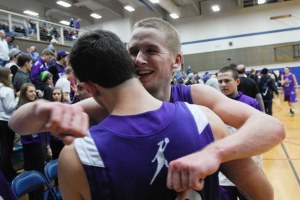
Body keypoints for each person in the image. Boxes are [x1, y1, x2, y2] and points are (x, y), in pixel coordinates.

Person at [9, 17, 284, 189]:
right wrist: (40, 108)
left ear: (177, 60)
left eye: (150, 51)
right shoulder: (104, 107)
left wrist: (214, 152)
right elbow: (18, 125)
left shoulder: (195, 97)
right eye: (132, 51)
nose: (138, 59)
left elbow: (270, 127)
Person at [217, 66, 262, 200]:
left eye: (227, 81)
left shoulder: (251, 103)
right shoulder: (213, 105)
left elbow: (258, 133)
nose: (223, 84)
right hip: (224, 169)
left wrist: (254, 158)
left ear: (237, 81)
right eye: (220, 81)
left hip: (248, 164)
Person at [0, 68, 19, 182]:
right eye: (10, 73)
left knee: (4, 148)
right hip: (6, 121)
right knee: (7, 149)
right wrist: (18, 97)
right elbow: (9, 108)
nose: (12, 75)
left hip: (0, 121)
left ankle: (8, 170)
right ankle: (6, 174)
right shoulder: (7, 90)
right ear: (5, 76)